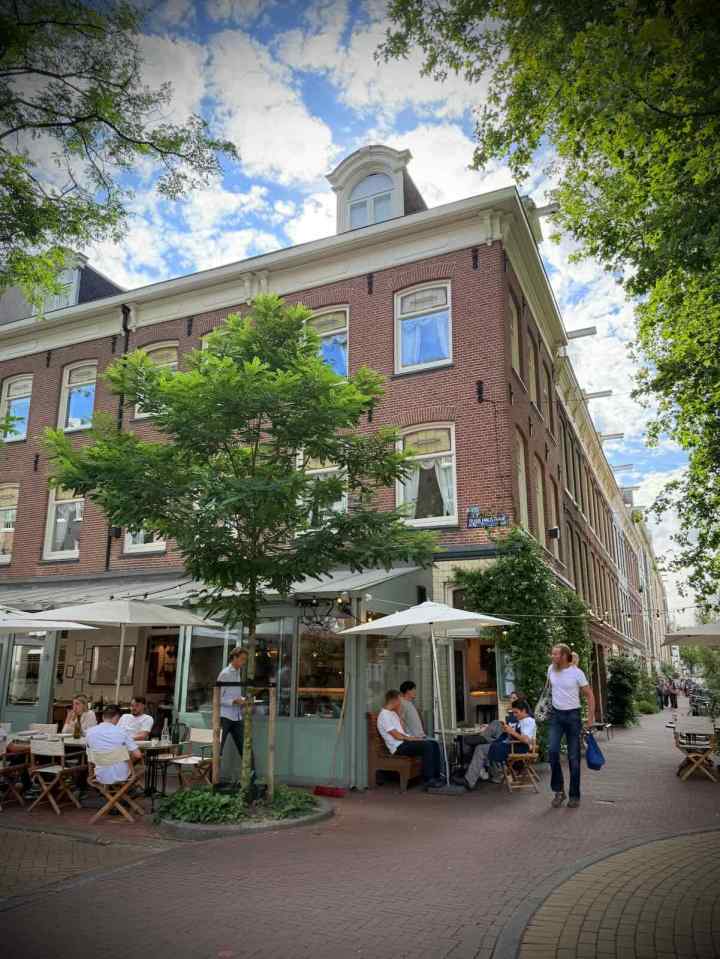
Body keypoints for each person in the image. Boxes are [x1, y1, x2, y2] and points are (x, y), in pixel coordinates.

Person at [547, 643, 595, 809]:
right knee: (552, 752)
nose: (552, 657)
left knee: (573, 758)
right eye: (552, 654)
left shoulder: (577, 673)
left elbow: (590, 695)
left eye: (555, 654)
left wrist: (590, 719)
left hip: (573, 716)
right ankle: (559, 791)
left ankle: (574, 795)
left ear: (564, 656)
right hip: (556, 716)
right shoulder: (550, 670)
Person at [377, 689, 445, 790]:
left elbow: (402, 730)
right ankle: (428, 780)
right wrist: (411, 739)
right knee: (427, 746)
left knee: (433, 743)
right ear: (393, 700)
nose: (401, 703)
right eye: (399, 700)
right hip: (398, 747)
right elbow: (396, 736)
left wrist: (399, 714)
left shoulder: (393, 713)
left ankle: (436, 776)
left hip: (404, 743)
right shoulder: (384, 715)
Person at [86, 704, 142, 787]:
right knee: (139, 764)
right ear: (117, 717)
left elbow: (89, 756)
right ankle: (125, 790)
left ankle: (109, 792)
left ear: (103, 717)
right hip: (121, 776)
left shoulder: (89, 732)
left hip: (100, 775)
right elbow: (138, 755)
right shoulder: (122, 732)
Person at [217, 647, 249, 759]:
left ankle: (251, 771)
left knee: (246, 750)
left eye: (245, 660)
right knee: (217, 751)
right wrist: (233, 701)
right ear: (234, 657)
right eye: (242, 659)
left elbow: (234, 694)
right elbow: (217, 698)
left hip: (236, 717)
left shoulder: (237, 672)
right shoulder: (225, 674)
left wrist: (244, 700)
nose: (244, 662)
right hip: (224, 717)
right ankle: (212, 771)